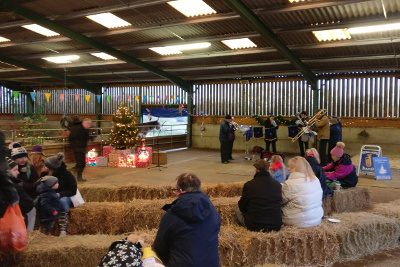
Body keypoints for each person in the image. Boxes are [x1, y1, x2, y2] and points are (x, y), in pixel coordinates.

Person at [153, 173, 221, 267]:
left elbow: (159, 247)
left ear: (180, 191)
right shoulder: (212, 210)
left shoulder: (172, 215)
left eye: (174, 190)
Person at [235, 159, 282, 232]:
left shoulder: (249, 185)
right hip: (275, 226)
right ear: (268, 170)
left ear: (256, 170)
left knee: (237, 211)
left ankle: (240, 232)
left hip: (254, 226)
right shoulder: (277, 185)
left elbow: (242, 207)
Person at [42, 152, 77, 236]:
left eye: (45, 166)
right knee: (40, 202)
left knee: (63, 202)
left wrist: (60, 194)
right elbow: (39, 187)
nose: (44, 167)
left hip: (63, 196)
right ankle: (45, 229)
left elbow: (73, 190)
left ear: (51, 168)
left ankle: (63, 229)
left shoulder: (67, 174)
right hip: (49, 196)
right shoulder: (43, 174)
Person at [281, 157, 324, 227]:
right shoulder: (315, 179)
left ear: (298, 168)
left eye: (291, 167)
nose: (288, 169)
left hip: (297, 221)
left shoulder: (290, 183)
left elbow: (281, 200)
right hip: (316, 219)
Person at [11, 143, 39, 229]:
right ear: (14, 159)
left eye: (25, 157)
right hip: (18, 198)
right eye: (20, 157)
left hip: (30, 196)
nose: (23, 159)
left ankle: (30, 231)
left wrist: (24, 185)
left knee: (33, 209)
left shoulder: (31, 168)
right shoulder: (12, 169)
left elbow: (36, 184)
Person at [6, 157, 35, 231]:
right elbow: (27, 203)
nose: (18, 172)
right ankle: (28, 233)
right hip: (12, 220)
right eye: (15, 170)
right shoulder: (12, 186)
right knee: (32, 210)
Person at [68, 116, 92, 181]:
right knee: (81, 163)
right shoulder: (78, 129)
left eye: (89, 124)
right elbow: (71, 137)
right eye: (87, 123)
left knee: (81, 163)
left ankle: (77, 176)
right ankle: (78, 177)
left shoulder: (85, 130)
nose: (89, 125)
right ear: (83, 123)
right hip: (78, 148)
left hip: (82, 148)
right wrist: (74, 145)